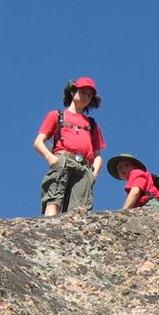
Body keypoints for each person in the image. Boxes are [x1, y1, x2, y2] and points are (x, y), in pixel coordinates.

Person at [34, 77, 105, 215]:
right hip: (63, 160)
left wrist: (93, 174)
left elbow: (98, 156)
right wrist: (52, 159)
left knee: (79, 210)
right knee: (54, 200)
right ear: (73, 92)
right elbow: (38, 142)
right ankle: (50, 227)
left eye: (89, 95)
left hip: (84, 167)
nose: (86, 97)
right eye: (83, 92)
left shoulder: (92, 124)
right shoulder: (57, 115)